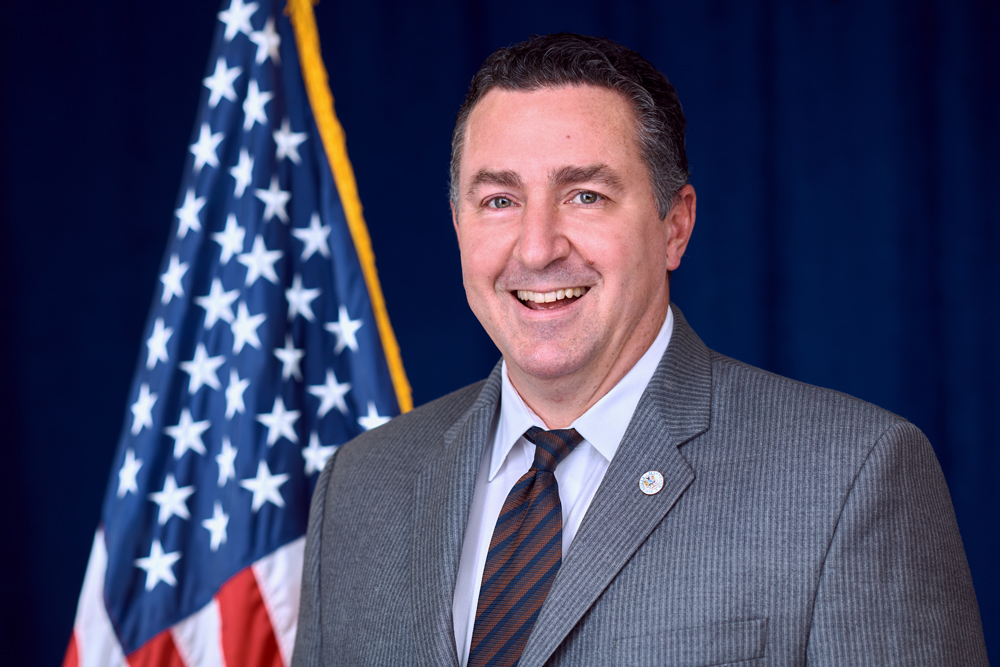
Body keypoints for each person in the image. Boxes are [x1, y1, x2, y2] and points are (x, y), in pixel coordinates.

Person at [292, 33, 987, 666]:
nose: (536, 248)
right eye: (500, 200)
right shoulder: (360, 486)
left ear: (674, 227)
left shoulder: (849, 479)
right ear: (457, 225)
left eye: (585, 196)